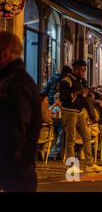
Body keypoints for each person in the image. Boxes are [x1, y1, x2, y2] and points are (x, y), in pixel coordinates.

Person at [0, 32, 42, 192]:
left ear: (6, 53)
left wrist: (10, 169)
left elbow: (14, 132)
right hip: (17, 173)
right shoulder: (16, 81)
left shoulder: (14, 85)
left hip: (15, 175)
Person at [60, 60, 102, 173]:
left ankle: (90, 164)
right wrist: (78, 92)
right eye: (82, 70)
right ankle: (71, 166)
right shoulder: (66, 81)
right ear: (76, 69)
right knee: (71, 139)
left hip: (80, 112)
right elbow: (63, 98)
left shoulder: (81, 81)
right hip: (70, 112)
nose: (83, 73)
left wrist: (90, 95)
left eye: (84, 70)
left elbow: (84, 97)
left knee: (87, 137)